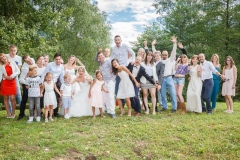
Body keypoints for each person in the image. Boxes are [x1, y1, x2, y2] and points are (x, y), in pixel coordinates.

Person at [153, 36, 178, 113]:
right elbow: (155, 53)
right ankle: (164, 107)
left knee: (173, 93)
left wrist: (174, 43)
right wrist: (153, 46)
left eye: (165, 55)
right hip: (162, 79)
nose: (164, 56)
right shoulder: (160, 61)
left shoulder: (170, 60)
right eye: (163, 55)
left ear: (167, 55)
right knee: (162, 93)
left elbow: (174, 52)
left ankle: (174, 108)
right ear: (161, 55)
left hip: (170, 78)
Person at [110, 35, 136, 108]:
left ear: (121, 40)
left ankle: (132, 105)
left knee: (128, 87)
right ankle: (122, 104)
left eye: (118, 40)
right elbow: (111, 57)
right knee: (117, 87)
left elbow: (133, 53)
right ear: (114, 41)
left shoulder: (125, 46)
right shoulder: (113, 48)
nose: (117, 41)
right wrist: (110, 66)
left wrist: (133, 61)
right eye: (116, 40)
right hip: (118, 69)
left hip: (125, 67)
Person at [41, 53, 64, 117]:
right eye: (56, 59)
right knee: (47, 98)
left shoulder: (62, 67)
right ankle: (47, 113)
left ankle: (55, 113)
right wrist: (41, 83)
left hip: (55, 83)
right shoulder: (49, 65)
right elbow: (44, 74)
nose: (58, 61)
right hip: (48, 83)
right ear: (54, 59)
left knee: (56, 98)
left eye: (59, 59)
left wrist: (63, 85)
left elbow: (62, 77)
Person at [0, 53, 20, 118]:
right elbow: (0, 75)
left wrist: (11, 76)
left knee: (12, 98)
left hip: (12, 81)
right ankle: (8, 114)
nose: (3, 58)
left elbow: (18, 71)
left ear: (5, 56)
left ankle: (13, 114)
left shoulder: (12, 63)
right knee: (6, 98)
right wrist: (5, 77)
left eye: (3, 56)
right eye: (1, 58)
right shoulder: (1, 66)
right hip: (5, 82)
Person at [97, 52, 116, 118]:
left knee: (111, 96)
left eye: (101, 55)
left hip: (110, 81)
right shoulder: (100, 64)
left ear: (104, 56)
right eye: (99, 56)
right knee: (106, 97)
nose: (101, 57)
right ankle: (109, 111)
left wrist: (113, 79)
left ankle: (113, 112)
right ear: (98, 58)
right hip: (104, 82)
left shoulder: (108, 61)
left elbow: (114, 68)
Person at [18, 55, 35, 120]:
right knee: (24, 99)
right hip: (26, 84)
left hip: (34, 83)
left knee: (34, 98)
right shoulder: (24, 68)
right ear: (25, 62)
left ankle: (33, 114)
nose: (30, 61)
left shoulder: (33, 60)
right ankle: (21, 114)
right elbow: (21, 79)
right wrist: (28, 83)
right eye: (28, 61)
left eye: (30, 59)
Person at [6, 45, 22, 114]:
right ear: (9, 50)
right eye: (12, 50)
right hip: (6, 79)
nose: (13, 52)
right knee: (9, 96)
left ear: (16, 50)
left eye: (14, 50)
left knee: (18, 94)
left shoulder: (19, 58)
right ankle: (10, 111)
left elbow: (18, 69)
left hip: (15, 79)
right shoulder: (6, 56)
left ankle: (22, 111)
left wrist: (12, 76)